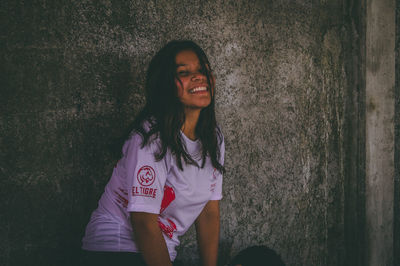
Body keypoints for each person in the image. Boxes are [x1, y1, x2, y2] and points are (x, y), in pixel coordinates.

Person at [81, 40, 225, 266]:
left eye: (203, 69)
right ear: (166, 85)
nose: (199, 77)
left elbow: (209, 212)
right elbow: (143, 223)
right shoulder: (150, 138)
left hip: (161, 252)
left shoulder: (213, 137)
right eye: (184, 73)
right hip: (115, 249)